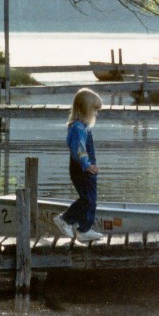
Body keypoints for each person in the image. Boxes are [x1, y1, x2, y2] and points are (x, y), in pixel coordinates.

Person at [54, 88, 105, 242]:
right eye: (95, 110)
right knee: (87, 199)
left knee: (91, 199)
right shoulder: (77, 128)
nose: (96, 113)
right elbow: (79, 148)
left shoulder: (84, 126)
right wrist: (86, 164)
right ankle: (65, 219)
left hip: (87, 168)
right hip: (81, 168)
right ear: (86, 109)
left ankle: (84, 229)